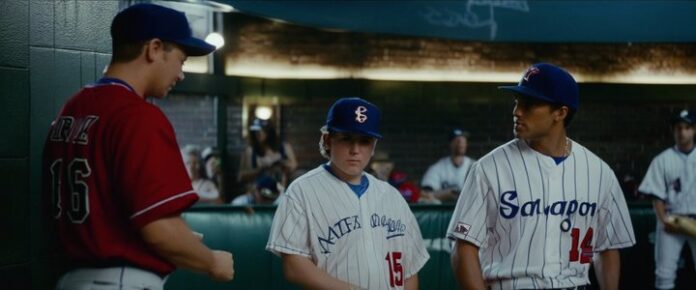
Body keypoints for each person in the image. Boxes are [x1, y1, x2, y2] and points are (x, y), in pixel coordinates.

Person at [42, 4, 233, 289]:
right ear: (154, 48)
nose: (181, 74)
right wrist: (212, 261)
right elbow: (159, 230)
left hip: (70, 278)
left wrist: (178, 239)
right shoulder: (137, 115)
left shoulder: (72, 108)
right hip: (121, 280)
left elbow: (109, 213)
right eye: (180, 60)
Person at [447, 63, 636, 290]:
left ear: (560, 112)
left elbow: (607, 247)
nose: (517, 111)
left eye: (529, 104)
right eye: (517, 101)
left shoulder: (599, 172)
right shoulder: (488, 168)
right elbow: (463, 247)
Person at [266, 97, 430, 289]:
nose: (355, 150)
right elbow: (293, 265)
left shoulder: (392, 197)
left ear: (374, 145)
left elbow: (409, 272)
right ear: (328, 140)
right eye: (346, 139)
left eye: (364, 141)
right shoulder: (302, 190)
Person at [638, 109, 696, 290]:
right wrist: (664, 220)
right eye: (678, 128)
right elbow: (656, 196)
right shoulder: (662, 160)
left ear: (694, 130)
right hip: (671, 218)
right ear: (673, 131)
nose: (682, 132)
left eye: (686, 127)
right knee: (664, 274)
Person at [238, 118, 298, 189]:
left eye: (261, 130)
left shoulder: (284, 147)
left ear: (269, 132)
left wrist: (280, 165)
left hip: (281, 189)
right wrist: (262, 170)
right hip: (258, 191)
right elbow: (241, 176)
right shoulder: (250, 151)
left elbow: (294, 165)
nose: (258, 133)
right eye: (255, 131)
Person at [420, 128, 475, 203]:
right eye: (457, 140)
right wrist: (445, 194)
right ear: (450, 143)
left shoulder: (475, 166)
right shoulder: (438, 167)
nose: (460, 143)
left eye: (463, 140)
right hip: (443, 212)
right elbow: (424, 194)